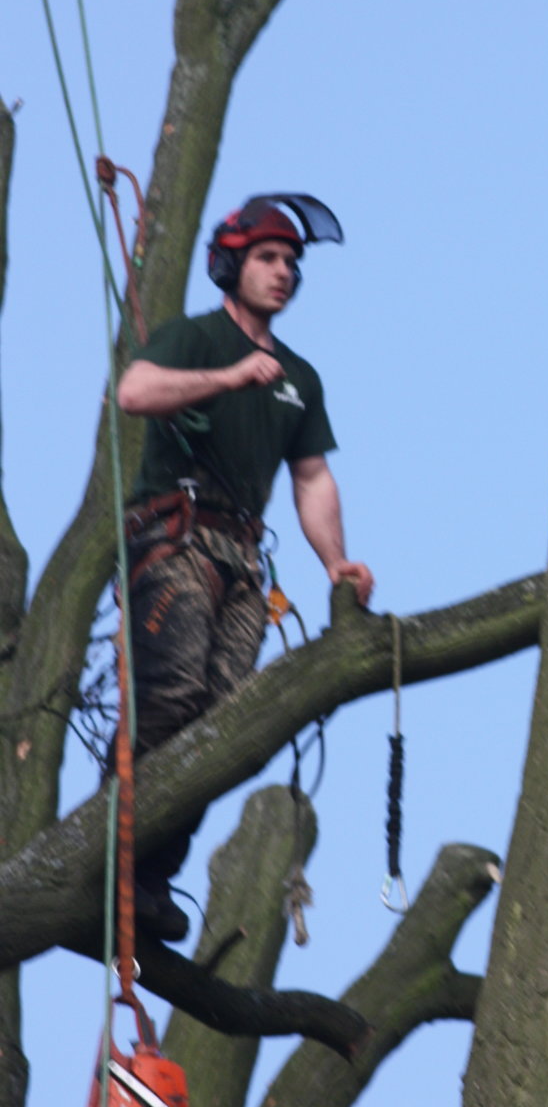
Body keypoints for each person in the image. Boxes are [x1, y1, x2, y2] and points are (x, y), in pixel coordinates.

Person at [116, 192, 374, 939]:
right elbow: (136, 392)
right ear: (230, 264)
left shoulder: (299, 376)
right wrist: (229, 378)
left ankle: (152, 877)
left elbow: (312, 478)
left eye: (292, 263)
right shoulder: (193, 339)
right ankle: (111, 858)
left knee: (223, 726)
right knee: (170, 697)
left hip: (242, 555)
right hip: (174, 536)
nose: (283, 272)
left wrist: (336, 565)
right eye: (268, 258)